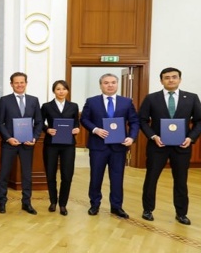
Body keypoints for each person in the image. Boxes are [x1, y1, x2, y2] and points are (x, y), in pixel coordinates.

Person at [139, 67, 201, 225]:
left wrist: (191, 138)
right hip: (157, 146)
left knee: (181, 180)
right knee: (151, 178)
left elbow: (199, 121)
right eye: (167, 77)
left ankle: (181, 213)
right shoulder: (151, 98)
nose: (171, 80)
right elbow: (142, 120)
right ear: (161, 81)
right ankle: (147, 210)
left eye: (174, 77)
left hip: (182, 147)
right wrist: (153, 136)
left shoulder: (192, 98)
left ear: (180, 79)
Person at [80, 73, 138, 219]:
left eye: (113, 82)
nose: (110, 85)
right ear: (101, 85)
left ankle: (116, 206)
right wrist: (95, 129)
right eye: (106, 83)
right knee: (96, 177)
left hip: (119, 147)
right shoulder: (92, 101)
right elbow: (84, 119)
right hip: (98, 146)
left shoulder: (126, 102)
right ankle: (94, 204)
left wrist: (131, 137)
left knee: (117, 178)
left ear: (117, 84)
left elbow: (134, 122)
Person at [0, 72, 43, 214]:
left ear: (26, 83)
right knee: (4, 173)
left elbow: (39, 122)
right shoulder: (5, 100)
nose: (19, 85)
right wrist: (8, 138)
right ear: (11, 84)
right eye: (16, 82)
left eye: (22, 82)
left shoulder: (33, 100)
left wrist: (34, 137)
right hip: (9, 144)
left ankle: (26, 203)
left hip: (27, 144)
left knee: (27, 175)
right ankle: (2, 202)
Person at [41, 80, 80, 216]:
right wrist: (47, 129)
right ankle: (53, 202)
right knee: (50, 174)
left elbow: (76, 123)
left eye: (64, 89)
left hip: (68, 145)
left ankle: (63, 204)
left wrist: (77, 129)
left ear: (67, 91)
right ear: (54, 91)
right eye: (58, 89)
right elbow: (40, 122)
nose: (61, 91)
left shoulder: (73, 106)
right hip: (51, 144)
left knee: (67, 175)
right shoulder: (46, 106)